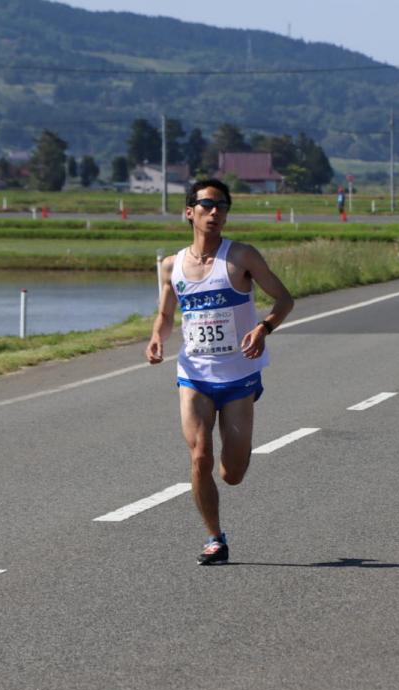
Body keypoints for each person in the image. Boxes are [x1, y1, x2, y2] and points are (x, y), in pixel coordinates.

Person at [145, 179, 295, 566]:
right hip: (194, 373)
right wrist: (157, 338)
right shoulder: (171, 266)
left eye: (222, 207)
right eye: (207, 205)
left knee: (232, 473)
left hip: (239, 376)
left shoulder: (241, 257)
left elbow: (284, 298)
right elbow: (165, 314)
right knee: (199, 456)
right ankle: (215, 537)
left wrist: (264, 328)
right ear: (189, 211)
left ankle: (232, 468)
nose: (215, 213)